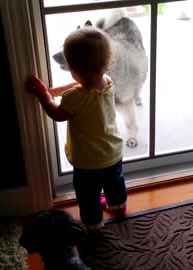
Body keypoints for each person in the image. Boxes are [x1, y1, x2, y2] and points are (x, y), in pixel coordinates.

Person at [25, 26, 128, 230]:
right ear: (106, 63)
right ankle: (118, 204)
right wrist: (56, 90)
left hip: (88, 162)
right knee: (115, 182)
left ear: (72, 69)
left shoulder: (74, 98)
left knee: (87, 193)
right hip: (112, 153)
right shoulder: (108, 82)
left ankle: (93, 223)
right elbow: (81, 86)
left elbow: (57, 113)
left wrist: (44, 95)